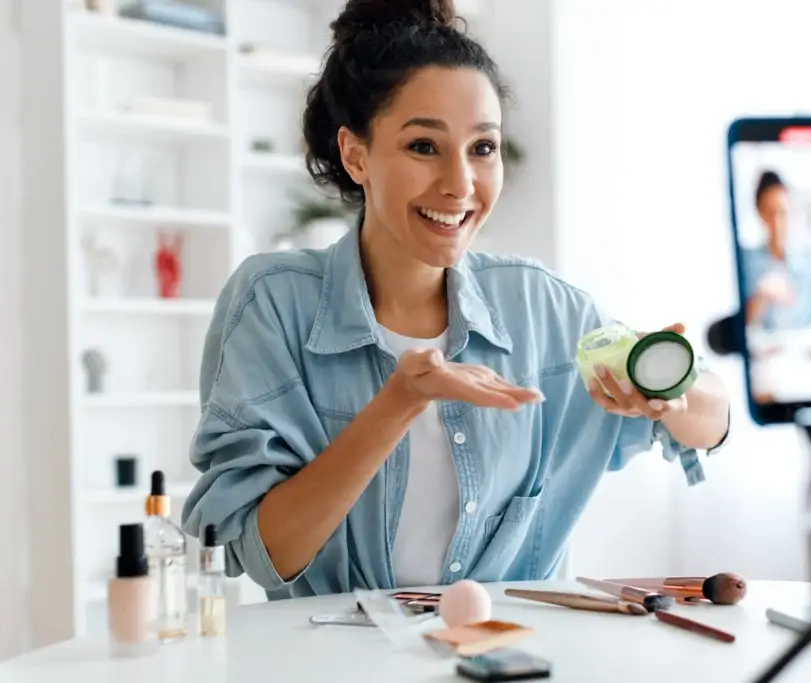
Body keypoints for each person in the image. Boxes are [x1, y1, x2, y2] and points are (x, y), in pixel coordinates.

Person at [180, 0, 730, 600]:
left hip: (511, 655)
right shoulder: (274, 303)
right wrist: (400, 401)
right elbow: (265, 554)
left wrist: (669, 395)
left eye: (483, 148)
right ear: (355, 154)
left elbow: (711, 420)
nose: (460, 183)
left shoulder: (541, 308)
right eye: (423, 146)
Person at [742, 170, 811, 330]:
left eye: (782, 212)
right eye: (770, 212)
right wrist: (760, 297)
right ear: (759, 213)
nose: (777, 222)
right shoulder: (746, 262)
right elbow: (741, 324)